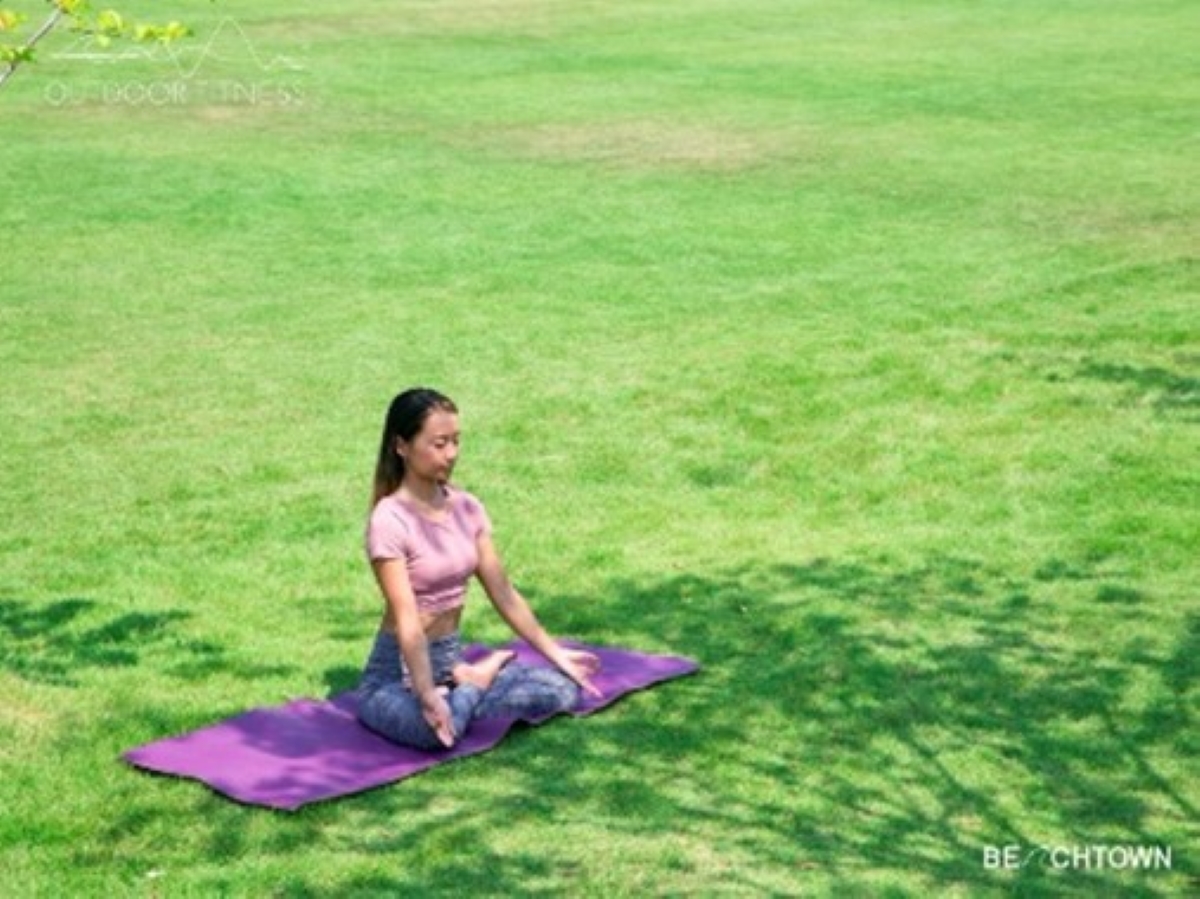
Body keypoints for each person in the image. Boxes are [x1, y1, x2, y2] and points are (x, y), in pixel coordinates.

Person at [355, 387, 601, 751]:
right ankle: (477, 680)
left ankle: (464, 684)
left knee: (562, 691)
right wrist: (425, 694)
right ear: (402, 446)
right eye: (439, 444)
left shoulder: (467, 508)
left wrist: (556, 653)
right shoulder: (389, 520)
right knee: (436, 733)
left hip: (448, 662)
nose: (451, 454)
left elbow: (503, 592)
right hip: (395, 677)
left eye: (456, 441)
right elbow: (407, 619)